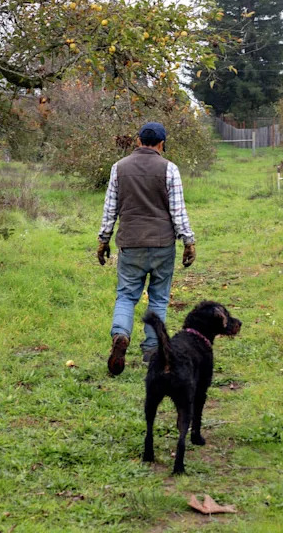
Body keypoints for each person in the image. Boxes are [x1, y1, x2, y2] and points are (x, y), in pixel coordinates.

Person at [97, 121, 196, 376]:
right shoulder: (169, 169)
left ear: (138, 141)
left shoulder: (119, 168)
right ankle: (152, 349)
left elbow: (110, 209)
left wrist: (103, 239)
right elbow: (178, 210)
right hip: (163, 243)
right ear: (162, 144)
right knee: (159, 298)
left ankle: (120, 334)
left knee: (126, 296)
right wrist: (188, 241)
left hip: (130, 243)